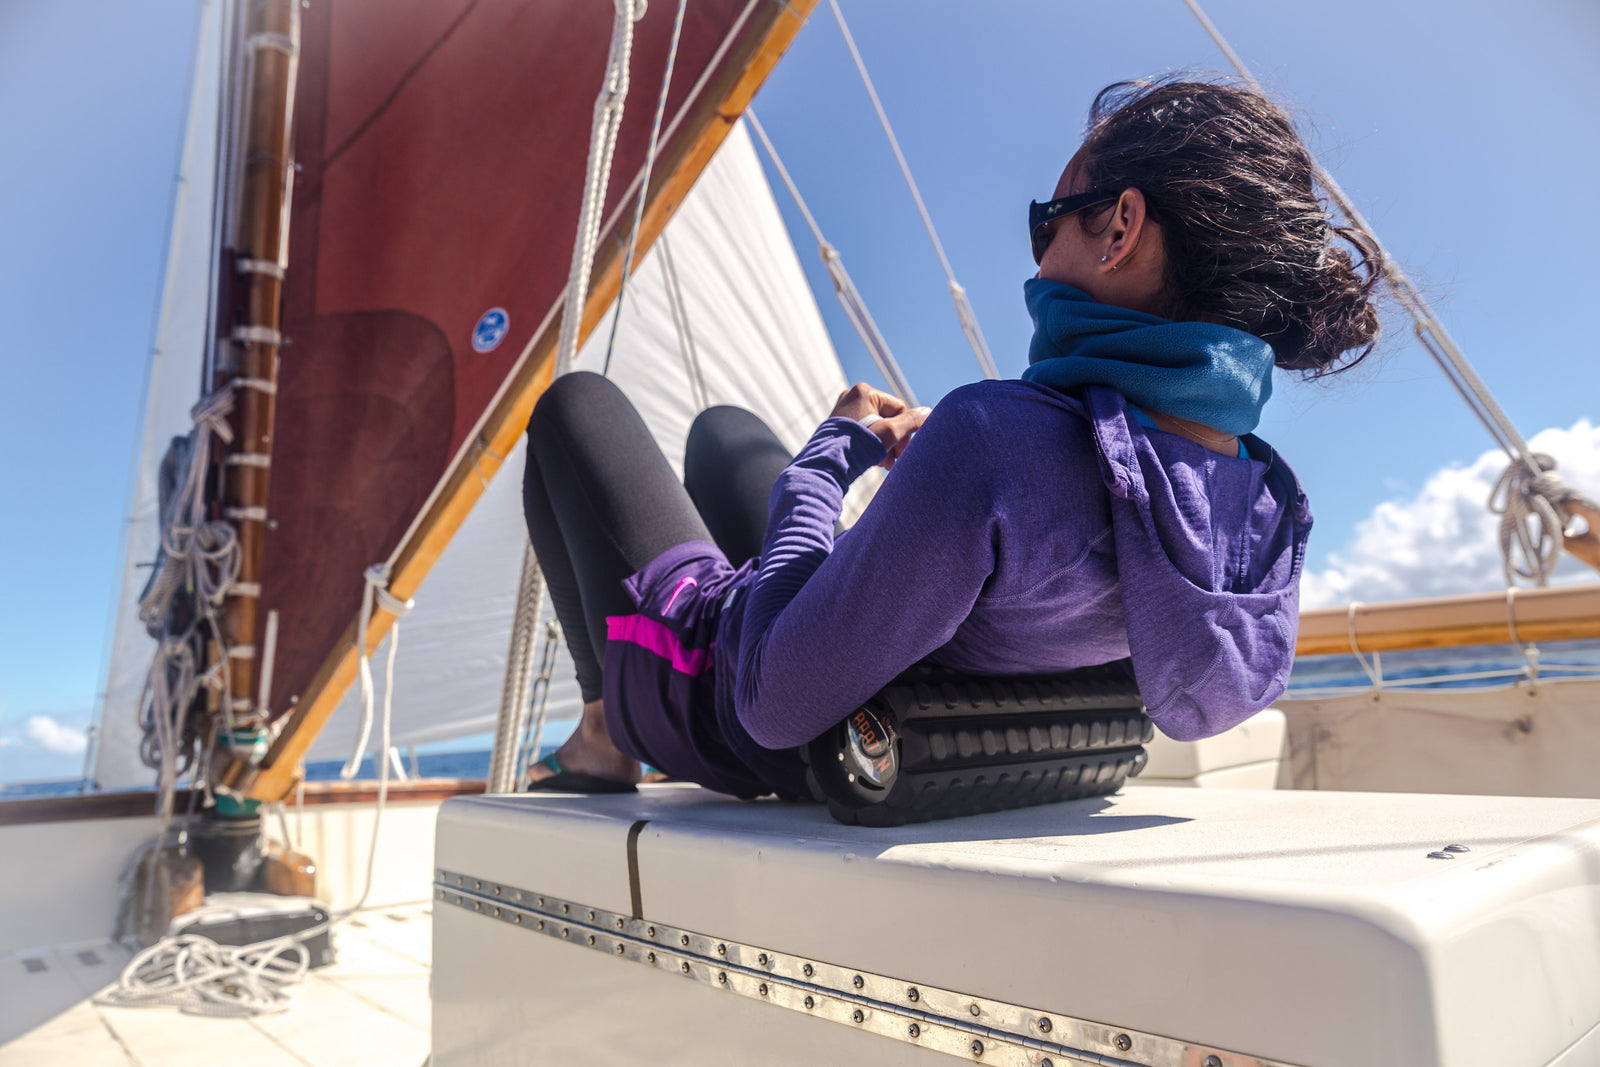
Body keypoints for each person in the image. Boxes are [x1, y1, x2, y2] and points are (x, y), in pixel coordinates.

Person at [522, 77, 1380, 797]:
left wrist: (834, 448)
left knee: (575, 407)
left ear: (1119, 228)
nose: (1039, 254)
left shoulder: (994, 444)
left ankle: (606, 728)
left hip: (732, 707)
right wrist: (952, 455)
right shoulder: (1254, 502)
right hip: (908, 705)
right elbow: (1084, 492)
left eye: (1050, 220)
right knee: (725, 436)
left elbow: (770, 701)